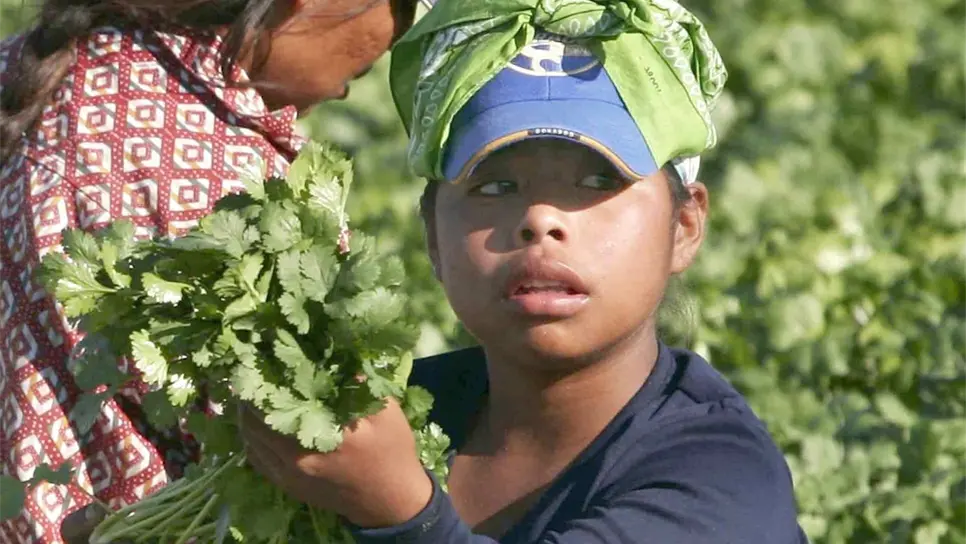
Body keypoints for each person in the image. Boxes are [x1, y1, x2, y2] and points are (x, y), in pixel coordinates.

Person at [239, 0, 811, 542]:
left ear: (683, 226)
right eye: (495, 186)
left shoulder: (723, 476)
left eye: (598, 182)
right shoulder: (386, 415)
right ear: (432, 232)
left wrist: (403, 513)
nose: (541, 220)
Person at [0, 1, 418, 541]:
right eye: (357, 70)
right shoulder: (219, 178)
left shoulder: (36, 64)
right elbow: (302, 444)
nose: (342, 93)